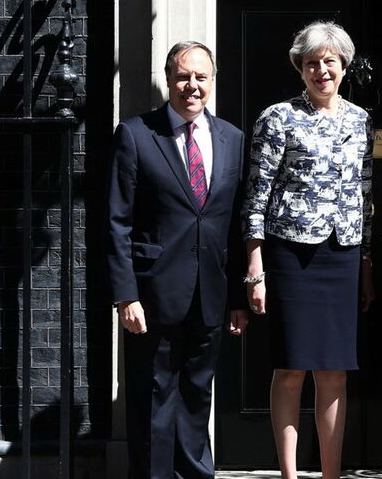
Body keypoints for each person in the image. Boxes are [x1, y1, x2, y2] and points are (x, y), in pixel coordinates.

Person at [107, 41, 249, 479]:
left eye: (201, 77)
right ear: (168, 80)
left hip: (210, 291)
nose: (192, 86)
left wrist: (238, 297)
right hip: (152, 294)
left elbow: (236, 221)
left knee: (195, 396)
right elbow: (117, 221)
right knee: (153, 397)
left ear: (212, 79)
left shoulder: (232, 139)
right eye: (184, 77)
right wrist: (125, 295)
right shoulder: (135, 133)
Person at [242, 21, 373, 479]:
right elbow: (256, 194)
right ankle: (290, 474)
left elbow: (364, 192)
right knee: (292, 367)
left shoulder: (360, 119)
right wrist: (255, 267)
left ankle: (331, 474)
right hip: (291, 254)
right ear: (300, 68)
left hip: (342, 253)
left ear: (343, 67)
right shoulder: (277, 117)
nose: (322, 71)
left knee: (335, 370)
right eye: (312, 63)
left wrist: (366, 263)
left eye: (330, 62)